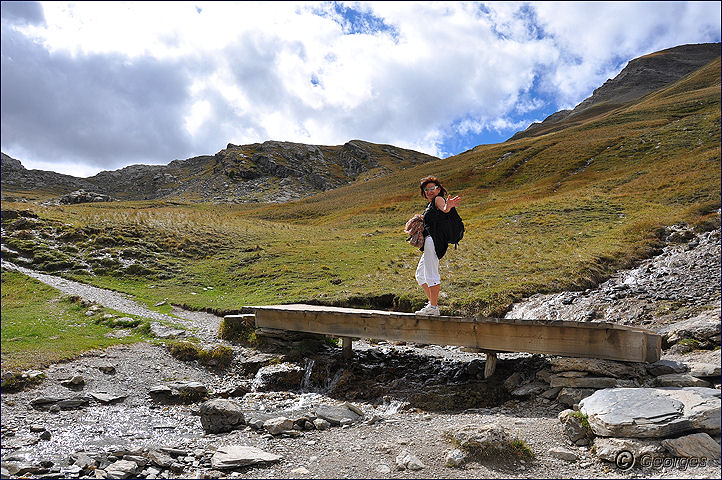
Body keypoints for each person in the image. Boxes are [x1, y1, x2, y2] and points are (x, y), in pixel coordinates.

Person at [414, 176, 461, 315]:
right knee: (420, 275)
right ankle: (432, 304)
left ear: (438, 189)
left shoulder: (438, 199)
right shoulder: (430, 204)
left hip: (433, 240)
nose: (429, 191)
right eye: (426, 189)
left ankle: (433, 308)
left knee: (431, 274)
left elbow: (444, 208)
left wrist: (448, 206)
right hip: (431, 240)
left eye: (432, 188)